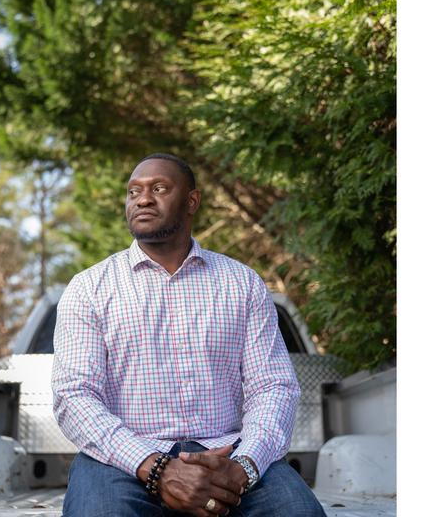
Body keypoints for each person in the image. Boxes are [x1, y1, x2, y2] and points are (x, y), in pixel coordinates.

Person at [52, 153, 326, 516]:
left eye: (159, 188)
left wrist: (243, 467)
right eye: (133, 192)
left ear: (192, 201)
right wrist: (156, 467)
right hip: (123, 460)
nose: (143, 199)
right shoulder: (89, 288)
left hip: (228, 455)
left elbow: (273, 387)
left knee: (298, 512)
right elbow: (74, 394)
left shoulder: (242, 283)